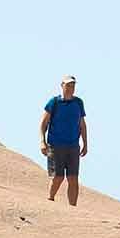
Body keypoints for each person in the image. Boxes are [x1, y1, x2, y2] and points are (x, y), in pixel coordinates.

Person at [40, 75, 88, 205]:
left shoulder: (78, 102)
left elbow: (82, 124)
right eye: (68, 85)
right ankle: (50, 199)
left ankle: (72, 207)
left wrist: (85, 143)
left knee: (73, 178)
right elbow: (43, 124)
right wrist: (42, 142)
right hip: (56, 145)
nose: (70, 88)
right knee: (58, 177)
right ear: (62, 85)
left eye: (73, 85)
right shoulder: (54, 102)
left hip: (73, 145)